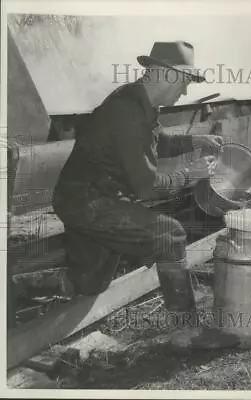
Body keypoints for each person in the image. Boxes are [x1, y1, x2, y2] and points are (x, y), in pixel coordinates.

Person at [53, 41, 239, 349]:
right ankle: (186, 332)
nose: (183, 93)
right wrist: (189, 175)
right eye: (183, 83)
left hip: (95, 197)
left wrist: (197, 140)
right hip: (88, 202)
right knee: (170, 234)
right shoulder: (126, 111)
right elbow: (148, 187)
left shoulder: (139, 103)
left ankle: (20, 286)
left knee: (90, 282)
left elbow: (156, 142)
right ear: (167, 75)